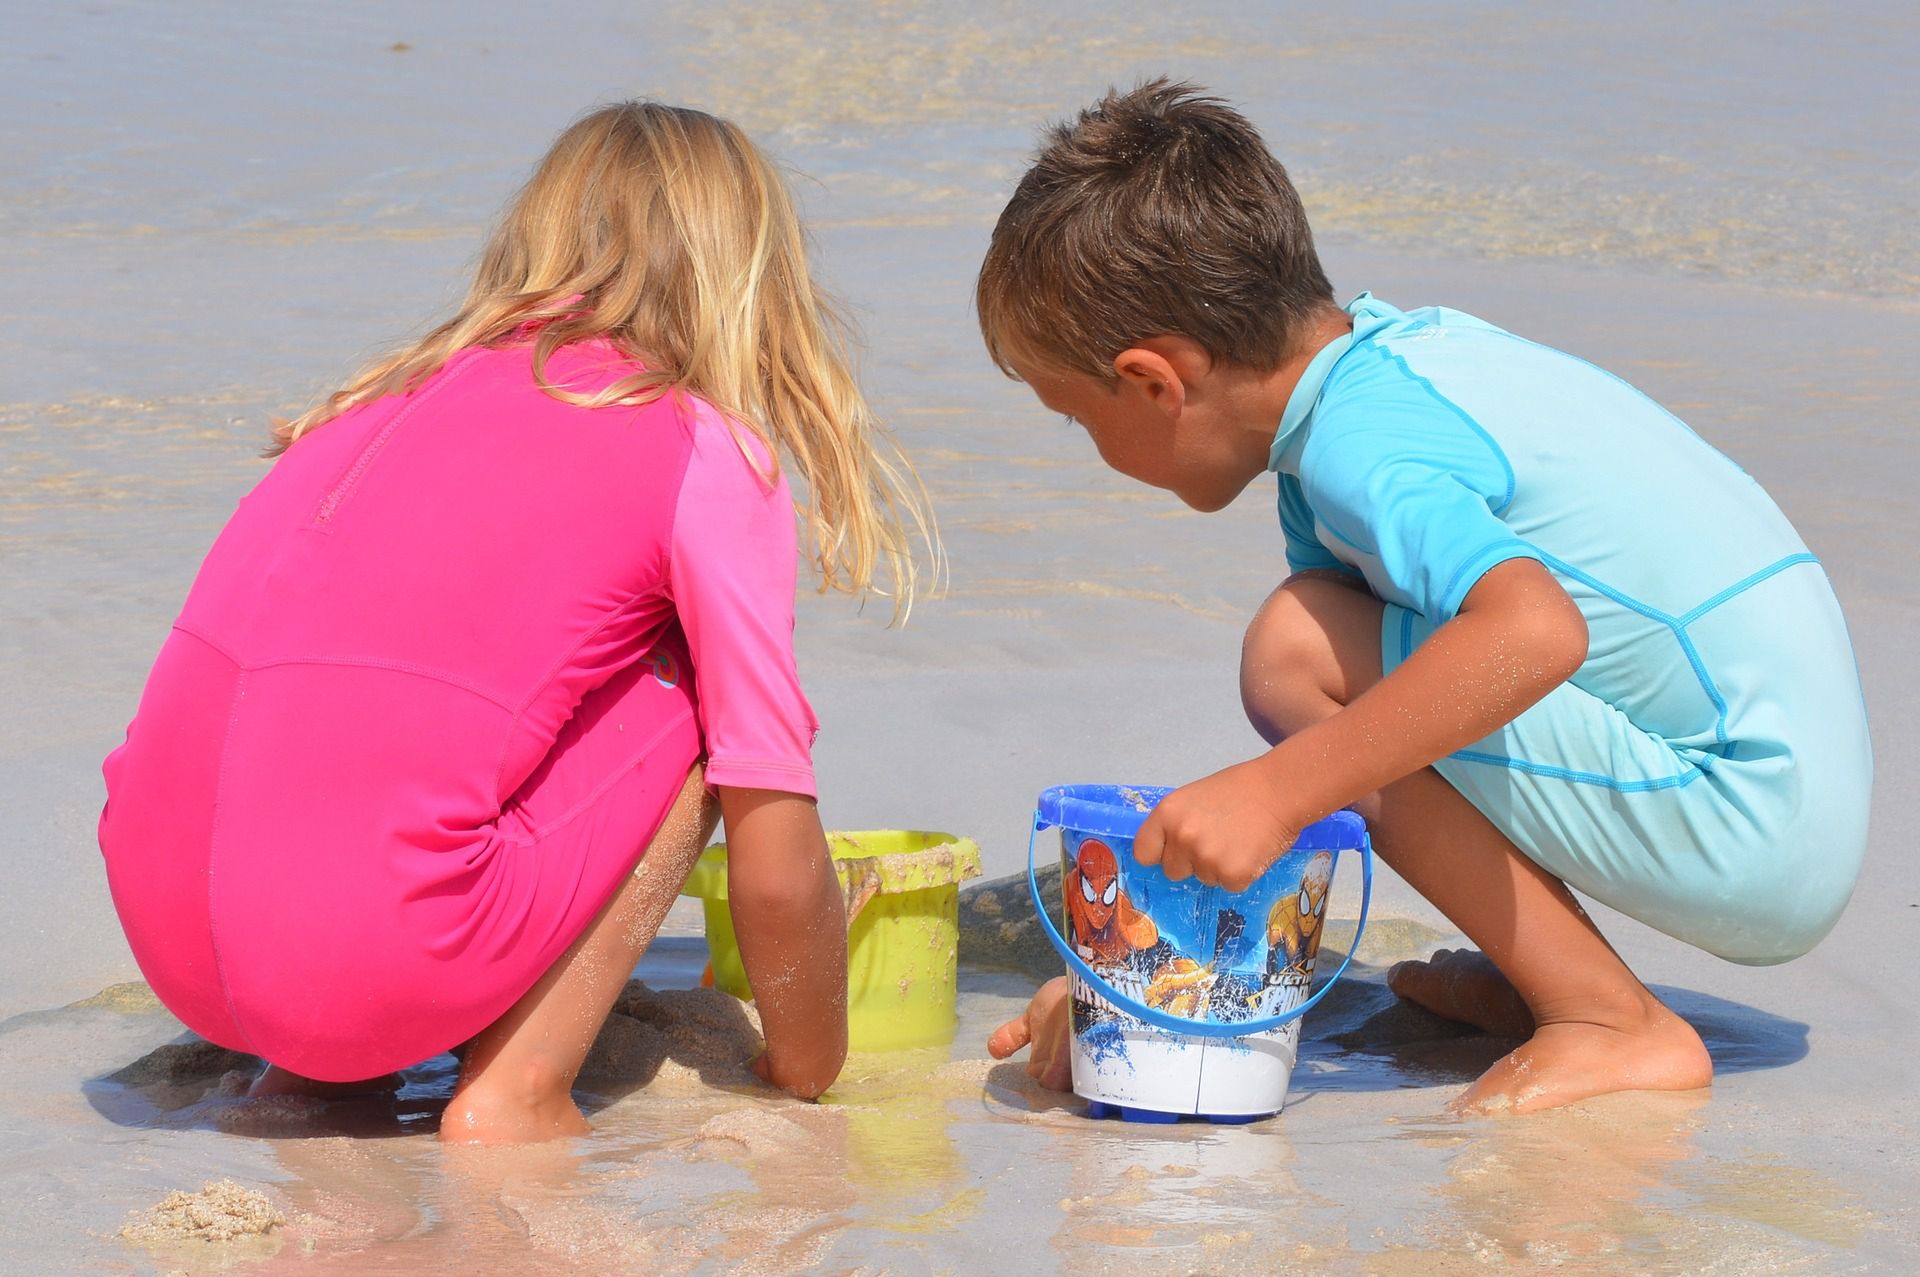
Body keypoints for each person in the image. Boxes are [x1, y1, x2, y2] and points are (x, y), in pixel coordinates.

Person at [979, 81, 1869, 1114]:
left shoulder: (1360, 448)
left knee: (1295, 653)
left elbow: (1537, 631)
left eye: (1073, 415)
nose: (1090, 448)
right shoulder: (1388, 365)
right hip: (1779, 781)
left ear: (1152, 381)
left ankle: (1608, 1017)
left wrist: (1276, 793)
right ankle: (1543, 967)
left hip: (1753, 819)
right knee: (1350, 641)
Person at [97, 101, 934, 1143]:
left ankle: (317, 1078)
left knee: (396, 713)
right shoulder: (696, 441)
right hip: (370, 952)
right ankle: (519, 1085)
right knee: (697, 688)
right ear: (752, 281)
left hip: (169, 925)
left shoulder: (375, 399)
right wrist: (807, 1065)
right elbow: (771, 837)